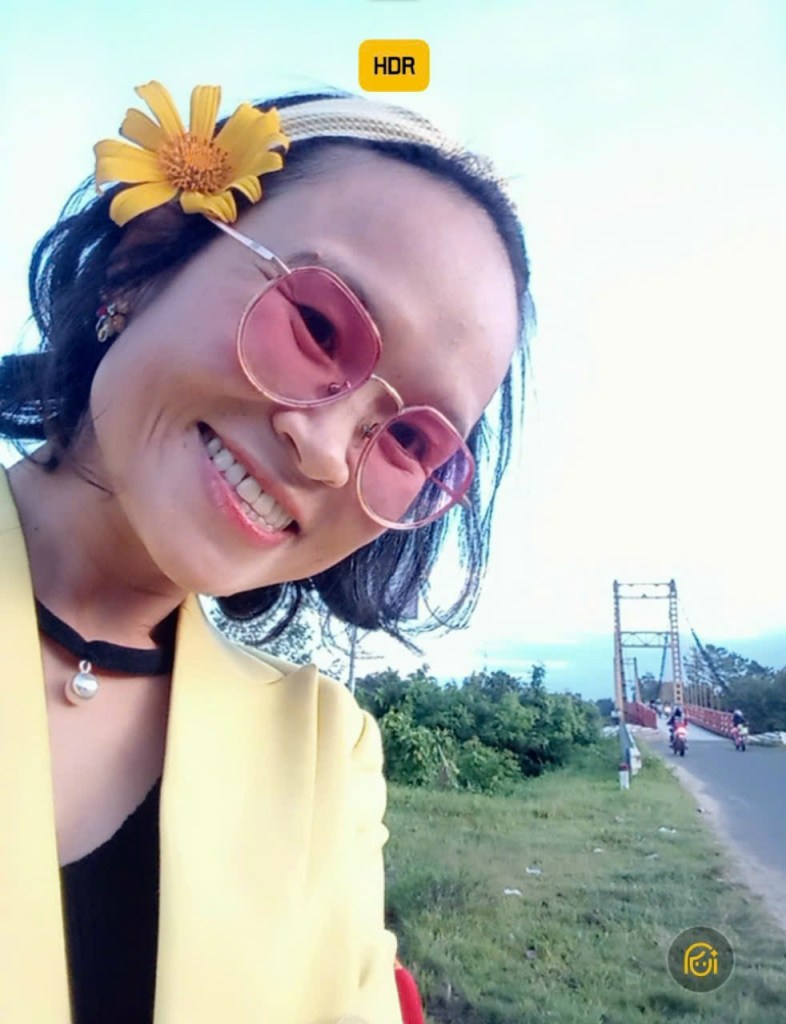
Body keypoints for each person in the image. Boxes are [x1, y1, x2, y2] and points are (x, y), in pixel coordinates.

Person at [0, 81, 531, 1023]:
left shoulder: (325, 756)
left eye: (411, 441)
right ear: (144, 259)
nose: (324, 453)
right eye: (318, 328)